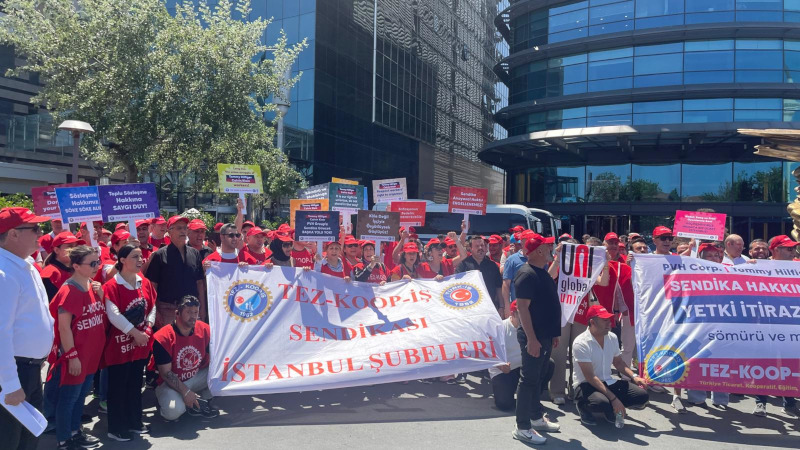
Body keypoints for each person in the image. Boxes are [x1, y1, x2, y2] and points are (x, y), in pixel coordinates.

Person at [0, 207, 54, 450]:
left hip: (28, 368)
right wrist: (10, 384)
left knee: (28, 439)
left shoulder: (25, 265)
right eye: (34, 228)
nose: (40, 233)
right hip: (13, 372)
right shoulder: (3, 273)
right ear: (13, 234)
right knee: (9, 441)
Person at [48, 245, 106, 450]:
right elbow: (63, 328)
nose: (97, 266)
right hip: (76, 356)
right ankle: (64, 440)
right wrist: (72, 356)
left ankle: (74, 431)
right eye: (92, 263)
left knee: (80, 396)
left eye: (98, 262)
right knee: (69, 398)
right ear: (76, 266)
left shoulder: (92, 286)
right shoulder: (69, 291)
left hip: (90, 355)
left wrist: (101, 294)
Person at [102, 244, 156, 441]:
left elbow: (152, 306)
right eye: (135, 256)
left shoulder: (144, 282)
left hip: (140, 344)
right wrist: (135, 333)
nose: (140, 260)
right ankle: (116, 427)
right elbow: (113, 315)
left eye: (141, 256)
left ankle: (134, 421)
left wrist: (147, 329)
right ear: (122, 260)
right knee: (118, 387)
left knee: (134, 384)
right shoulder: (112, 286)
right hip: (119, 346)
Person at [512, 234, 561, 444]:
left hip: (545, 335)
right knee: (529, 380)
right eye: (547, 246)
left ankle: (535, 418)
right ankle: (522, 427)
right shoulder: (526, 274)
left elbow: (547, 304)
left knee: (538, 377)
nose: (551, 249)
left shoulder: (541, 272)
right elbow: (522, 308)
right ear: (539, 251)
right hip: (534, 337)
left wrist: (553, 333)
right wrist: (532, 339)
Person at [547, 239, 610, 406]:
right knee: (559, 353)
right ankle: (557, 391)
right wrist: (558, 257)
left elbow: (604, 282)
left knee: (579, 354)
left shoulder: (588, 268)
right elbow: (549, 276)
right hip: (561, 314)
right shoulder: (561, 264)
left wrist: (605, 262)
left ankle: (577, 388)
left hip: (581, 315)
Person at [573, 305, 649, 426]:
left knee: (642, 396)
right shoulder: (581, 343)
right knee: (601, 403)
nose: (609, 323)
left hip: (607, 382)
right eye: (604, 320)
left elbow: (618, 363)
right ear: (592, 322)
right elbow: (590, 377)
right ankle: (583, 407)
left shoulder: (612, 337)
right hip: (586, 385)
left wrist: (634, 376)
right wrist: (614, 399)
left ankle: (611, 409)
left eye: (609, 319)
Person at [153, 295, 218, 421]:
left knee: (223, 370)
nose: (193, 316)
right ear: (177, 313)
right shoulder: (163, 337)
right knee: (173, 412)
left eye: (195, 312)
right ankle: (167, 401)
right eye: (188, 312)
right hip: (170, 383)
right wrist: (185, 392)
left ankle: (202, 400)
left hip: (195, 376)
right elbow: (166, 374)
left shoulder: (204, 329)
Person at [684, 243, 730, 409]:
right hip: (698, 323)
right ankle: (696, 396)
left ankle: (721, 399)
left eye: (716, 255)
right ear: (700, 257)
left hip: (722, 323)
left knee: (721, 361)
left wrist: (753, 264)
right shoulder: (691, 272)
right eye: (709, 255)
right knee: (697, 359)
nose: (713, 259)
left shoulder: (728, 272)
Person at [491, 300, 555, 411]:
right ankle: (521, 399)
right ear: (513, 314)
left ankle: (532, 398)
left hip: (524, 367)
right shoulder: (500, 328)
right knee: (504, 404)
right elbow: (490, 352)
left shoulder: (532, 326)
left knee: (549, 363)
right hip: (504, 370)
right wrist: (501, 365)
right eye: (521, 313)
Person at [145, 216, 205, 328]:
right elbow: (152, 286)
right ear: (169, 232)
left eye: (185, 228)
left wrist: (202, 309)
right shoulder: (159, 255)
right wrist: (155, 311)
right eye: (179, 228)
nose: (183, 231)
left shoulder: (195, 254)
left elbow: (200, 283)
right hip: (167, 310)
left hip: (192, 309)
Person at [457, 235, 504, 315]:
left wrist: (501, 307)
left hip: (490, 308)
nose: (480, 248)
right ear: (470, 248)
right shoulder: (463, 265)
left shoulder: (493, 266)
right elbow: (456, 285)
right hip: (469, 309)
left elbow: (499, 287)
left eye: (482, 245)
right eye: (477, 246)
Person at [41, 232, 85, 300]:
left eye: (76, 246)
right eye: (70, 246)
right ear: (56, 250)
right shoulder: (50, 273)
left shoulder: (77, 269)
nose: (74, 250)